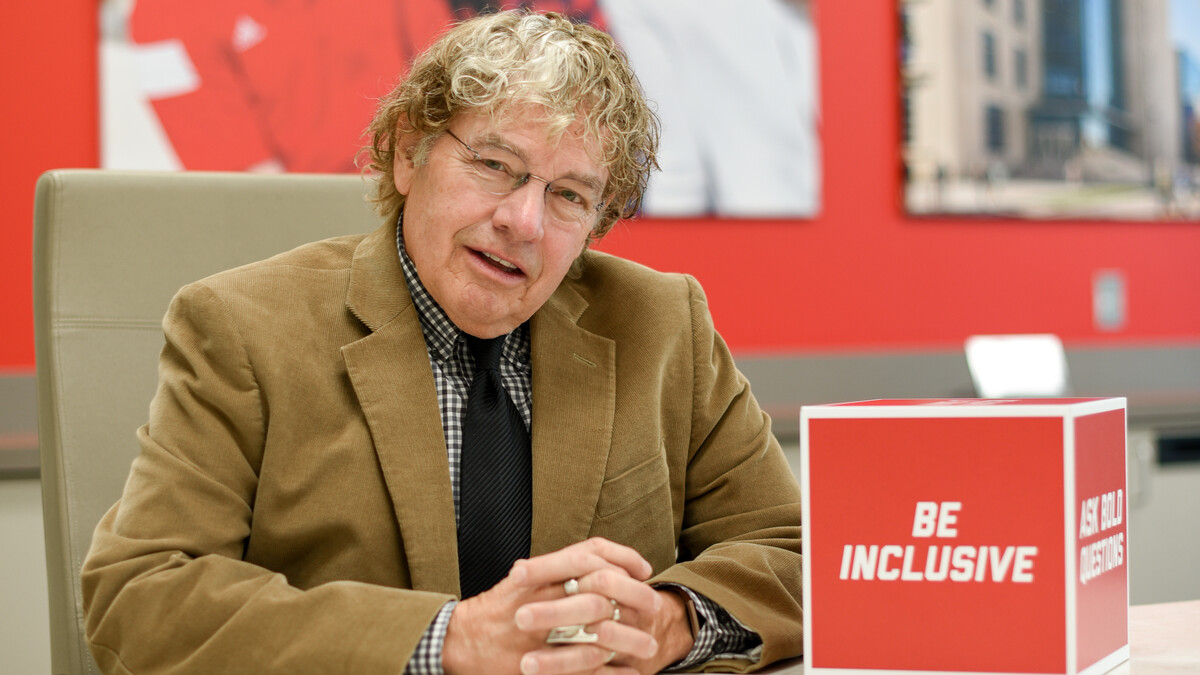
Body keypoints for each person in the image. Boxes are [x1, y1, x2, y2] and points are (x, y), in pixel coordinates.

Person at [82, 10, 804, 674]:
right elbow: (142, 592)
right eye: (494, 165)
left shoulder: (662, 323)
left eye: (569, 195)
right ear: (406, 152)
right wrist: (446, 639)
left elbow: (796, 552)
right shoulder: (241, 328)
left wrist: (674, 620)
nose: (524, 221)